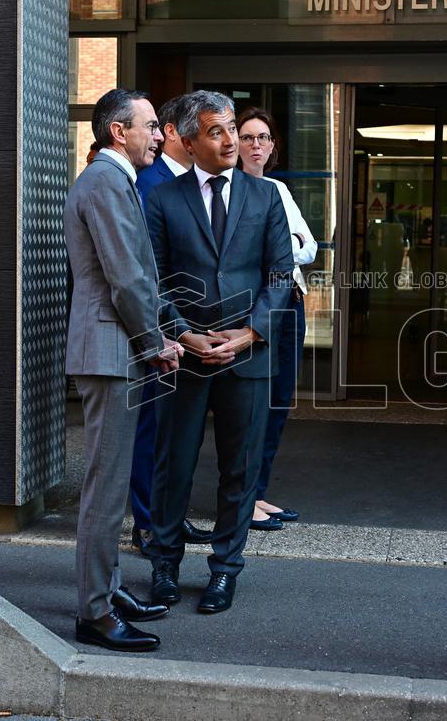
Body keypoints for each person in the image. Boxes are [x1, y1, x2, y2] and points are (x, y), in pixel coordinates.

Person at [144, 90, 294, 614]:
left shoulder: (267, 196)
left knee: (240, 469)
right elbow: (154, 278)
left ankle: (225, 570)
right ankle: (164, 566)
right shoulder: (163, 199)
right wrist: (184, 334)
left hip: (249, 355)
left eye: (233, 128)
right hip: (184, 356)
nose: (232, 139)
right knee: (173, 466)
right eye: (217, 131)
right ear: (188, 141)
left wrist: (250, 335)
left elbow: (280, 274)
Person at [65, 89, 183, 652]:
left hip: (116, 350)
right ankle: (94, 612)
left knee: (108, 484)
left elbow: (139, 273)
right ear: (119, 131)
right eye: (152, 126)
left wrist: (165, 332)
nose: (159, 135)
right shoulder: (106, 182)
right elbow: (126, 278)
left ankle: (107, 591)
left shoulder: (115, 180)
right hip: (111, 352)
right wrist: (155, 341)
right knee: (106, 488)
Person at [128, 94, 213, 556]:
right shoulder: (149, 183)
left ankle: (170, 519)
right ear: (183, 136)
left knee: (175, 432)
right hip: (161, 324)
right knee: (152, 428)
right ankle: (148, 523)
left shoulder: (192, 183)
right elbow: (146, 265)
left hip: (190, 326)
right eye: (204, 131)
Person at [236, 107, 316, 531]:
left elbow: (310, 247)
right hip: (261, 306)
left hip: (292, 304)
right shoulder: (232, 192)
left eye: (263, 138)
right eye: (247, 137)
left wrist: (285, 245)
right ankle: (242, 500)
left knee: (280, 401)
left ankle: (258, 492)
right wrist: (286, 245)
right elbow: (268, 252)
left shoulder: (277, 190)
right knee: (254, 405)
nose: (256, 145)